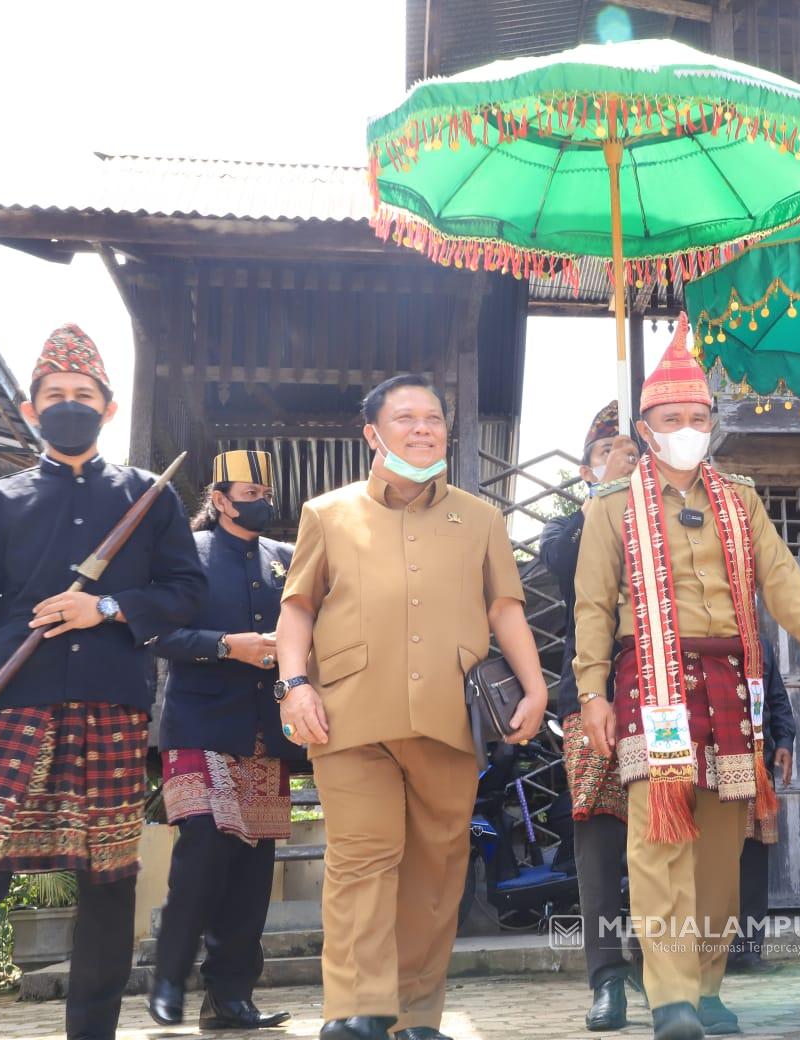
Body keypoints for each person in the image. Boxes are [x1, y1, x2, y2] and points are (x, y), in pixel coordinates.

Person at [0, 325, 205, 1040]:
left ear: (108, 409)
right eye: (55, 396)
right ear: (30, 410)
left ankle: (92, 1032)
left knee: (109, 883)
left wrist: (107, 607)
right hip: (13, 706)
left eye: (83, 396)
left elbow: (184, 591)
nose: (69, 405)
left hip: (112, 707)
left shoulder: (150, 497)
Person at [571, 316, 800, 1040]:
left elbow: (779, 577)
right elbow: (593, 605)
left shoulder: (740, 498)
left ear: (712, 423)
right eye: (671, 418)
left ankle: (707, 983)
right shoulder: (611, 504)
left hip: (730, 679)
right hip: (648, 680)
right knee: (658, 841)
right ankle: (672, 999)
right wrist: (590, 692)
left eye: (697, 416)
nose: (686, 427)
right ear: (645, 426)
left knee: (722, 848)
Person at [274, 374, 549, 1040]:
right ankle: (357, 1010)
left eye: (434, 418)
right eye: (406, 418)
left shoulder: (481, 519)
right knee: (362, 860)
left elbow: (505, 609)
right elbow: (297, 608)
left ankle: (415, 1016)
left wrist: (536, 686)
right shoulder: (327, 513)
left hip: (447, 716)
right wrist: (294, 685)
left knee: (436, 869)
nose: (423, 428)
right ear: (373, 433)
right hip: (348, 714)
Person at [147, 450, 307, 1031]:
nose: (260, 499)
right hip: (200, 725)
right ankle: (166, 977)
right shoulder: (186, 555)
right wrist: (226, 645)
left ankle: (229, 998)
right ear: (218, 499)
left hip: (264, 732)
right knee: (204, 852)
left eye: (266, 489)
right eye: (248, 490)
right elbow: (157, 632)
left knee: (250, 872)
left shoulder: (285, 559)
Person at [539, 400, 641, 1031]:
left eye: (632, 453)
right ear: (585, 470)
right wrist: (606, 498)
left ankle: (669, 965)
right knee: (599, 832)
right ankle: (607, 976)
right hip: (594, 691)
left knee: (667, 827)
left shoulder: (664, 514)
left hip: (664, 688)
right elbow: (568, 569)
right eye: (609, 454)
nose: (624, 462)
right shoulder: (565, 528)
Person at [726, 632, 794, 976]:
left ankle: (748, 952)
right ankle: (711, 953)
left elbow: (777, 697)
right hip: (714, 769)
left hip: (756, 769)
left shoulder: (761, 643)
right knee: (716, 863)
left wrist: (783, 739)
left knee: (753, 864)